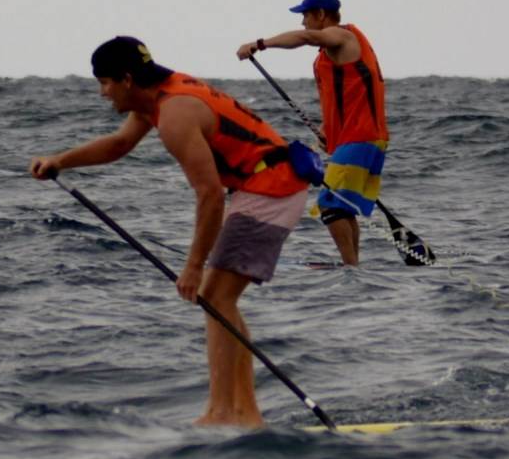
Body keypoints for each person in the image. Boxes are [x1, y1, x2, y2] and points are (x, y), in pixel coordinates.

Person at [30, 36, 315, 428]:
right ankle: (244, 413)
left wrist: (193, 266)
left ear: (127, 79)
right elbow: (119, 144)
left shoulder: (176, 114)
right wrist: (60, 161)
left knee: (214, 296)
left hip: (271, 188)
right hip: (266, 185)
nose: (102, 93)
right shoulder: (158, 97)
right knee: (221, 299)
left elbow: (210, 195)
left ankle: (223, 413)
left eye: (105, 83)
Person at [236, 0, 387, 266]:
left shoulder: (343, 36)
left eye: (305, 15)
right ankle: (354, 266)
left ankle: (350, 267)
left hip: (360, 138)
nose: (303, 22)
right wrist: (327, 130)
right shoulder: (333, 52)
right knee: (342, 206)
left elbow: (306, 37)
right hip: (359, 139)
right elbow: (345, 97)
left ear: (320, 14)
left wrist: (259, 44)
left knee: (330, 206)